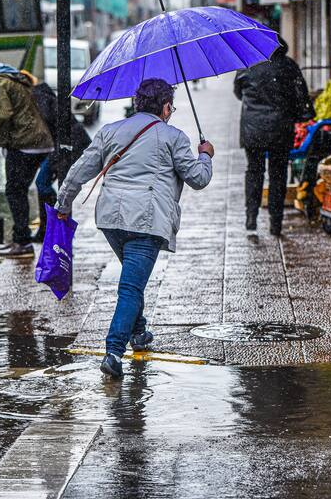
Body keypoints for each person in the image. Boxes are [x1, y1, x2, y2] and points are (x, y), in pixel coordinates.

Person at [55, 78, 214, 378]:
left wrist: (63, 205)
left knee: (133, 278)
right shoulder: (174, 137)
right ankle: (113, 352)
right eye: (171, 108)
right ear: (165, 107)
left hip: (111, 220)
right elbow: (198, 178)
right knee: (130, 287)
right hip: (147, 222)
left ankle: (139, 333)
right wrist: (205, 154)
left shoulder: (110, 131)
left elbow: (78, 172)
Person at [0, 47, 54, 258]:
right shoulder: (13, 76)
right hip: (41, 140)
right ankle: (45, 235)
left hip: (24, 143)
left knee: (15, 191)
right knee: (30, 188)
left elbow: (3, 115)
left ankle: (21, 241)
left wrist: (1, 141)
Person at [234, 37, 314, 236]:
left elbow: (238, 93)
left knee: (254, 171)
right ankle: (275, 222)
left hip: (253, 129)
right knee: (278, 174)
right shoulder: (289, 66)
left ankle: (251, 217)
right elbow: (301, 96)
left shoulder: (246, 65)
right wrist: (299, 114)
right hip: (281, 128)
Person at [21, 71, 92, 242]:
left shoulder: (38, 97)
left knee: (43, 182)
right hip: (66, 144)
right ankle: (51, 226)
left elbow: (48, 121)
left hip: (69, 144)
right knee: (48, 183)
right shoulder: (40, 94)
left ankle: (55, 222)